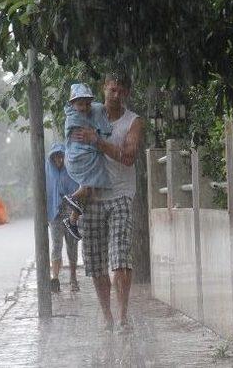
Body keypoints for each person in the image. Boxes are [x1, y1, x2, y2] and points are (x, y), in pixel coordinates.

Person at [71, 71, 144, 331]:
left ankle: (123, 316)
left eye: (120, 90)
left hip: (121, 194)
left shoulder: (133, 122)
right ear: (104, 89)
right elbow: (72, 140)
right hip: (93, 196)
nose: (115, 95)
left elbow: (128, 157)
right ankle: (107, 315)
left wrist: (98, 141)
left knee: (120, 257)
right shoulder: (89, 113)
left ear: (126, 93)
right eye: (111, 89)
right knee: (94, 260)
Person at [62, 82, 112, 240]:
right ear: (72, 104)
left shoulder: (94, 110)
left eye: (86, 104)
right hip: (80, 156)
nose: (83, 107)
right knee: (91, 183)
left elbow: (98, 120)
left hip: (86, 154)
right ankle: (74, 197)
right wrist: (97, 134)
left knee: (90, 190)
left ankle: (72, 220)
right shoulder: (73, 118)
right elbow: (99, 132)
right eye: (79, 104)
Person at [45, 142, 80, 293]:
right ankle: (55, 278)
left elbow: (77, 189)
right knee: (56, 246)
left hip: (70, 211)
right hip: (55, 213)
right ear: (52, 158)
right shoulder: (47, 172)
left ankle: (73, 278)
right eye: (55, 157)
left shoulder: (71, 170)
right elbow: (46, 192)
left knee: (72, 246)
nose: (58, 160)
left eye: (61, 156)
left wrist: (76, 212)